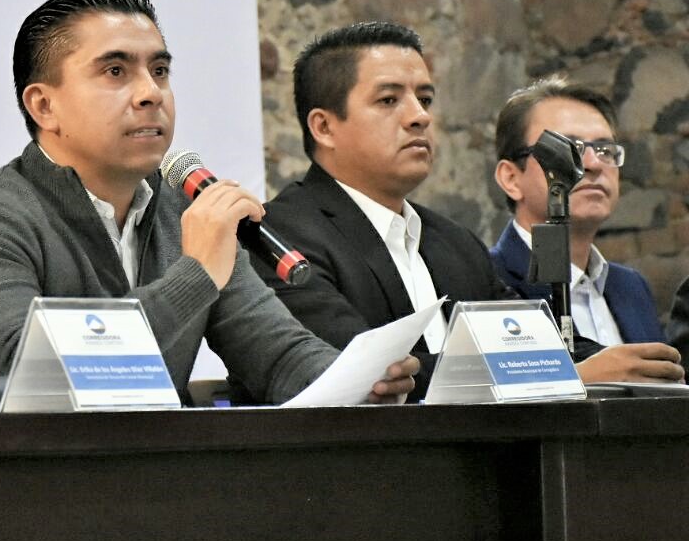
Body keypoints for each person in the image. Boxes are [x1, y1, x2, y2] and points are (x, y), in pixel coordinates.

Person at [0, 0, 417, 405]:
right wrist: (195, 277)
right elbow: (28, 374)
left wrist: (355, 383)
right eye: (115, 71)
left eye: (160, 70)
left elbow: (277, 355)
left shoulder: (181, 213)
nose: (151, 92)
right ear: (44, 106)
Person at [252, 21, 681, 397]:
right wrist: (570, 374)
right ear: (324, 126)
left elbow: (535, 338)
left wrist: (625, 364)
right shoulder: (279, 233)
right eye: (388, 101)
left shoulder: (453, 242)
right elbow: (362, 370)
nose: (419, 117)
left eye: (425, 99)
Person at [491, 77, 668, 348]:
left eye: (605, 150)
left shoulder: (630, 287)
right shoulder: (487, 278)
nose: (594, 164)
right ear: (512, 179)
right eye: (568, 149)